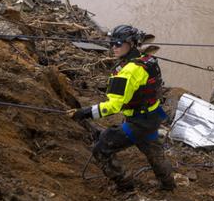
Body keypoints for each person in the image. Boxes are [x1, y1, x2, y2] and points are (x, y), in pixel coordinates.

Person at [68, 25, 175, 192]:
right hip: (153, 116)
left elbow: (113, 106)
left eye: (118, 43)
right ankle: (169, 185)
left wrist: (84, 112)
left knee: (101, 148)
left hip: (138, 122)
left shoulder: (127, 73)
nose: (113, 47)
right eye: (112, 43)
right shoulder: (148, 60)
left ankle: (125, 184)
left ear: (132, 44)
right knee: (153, 151)